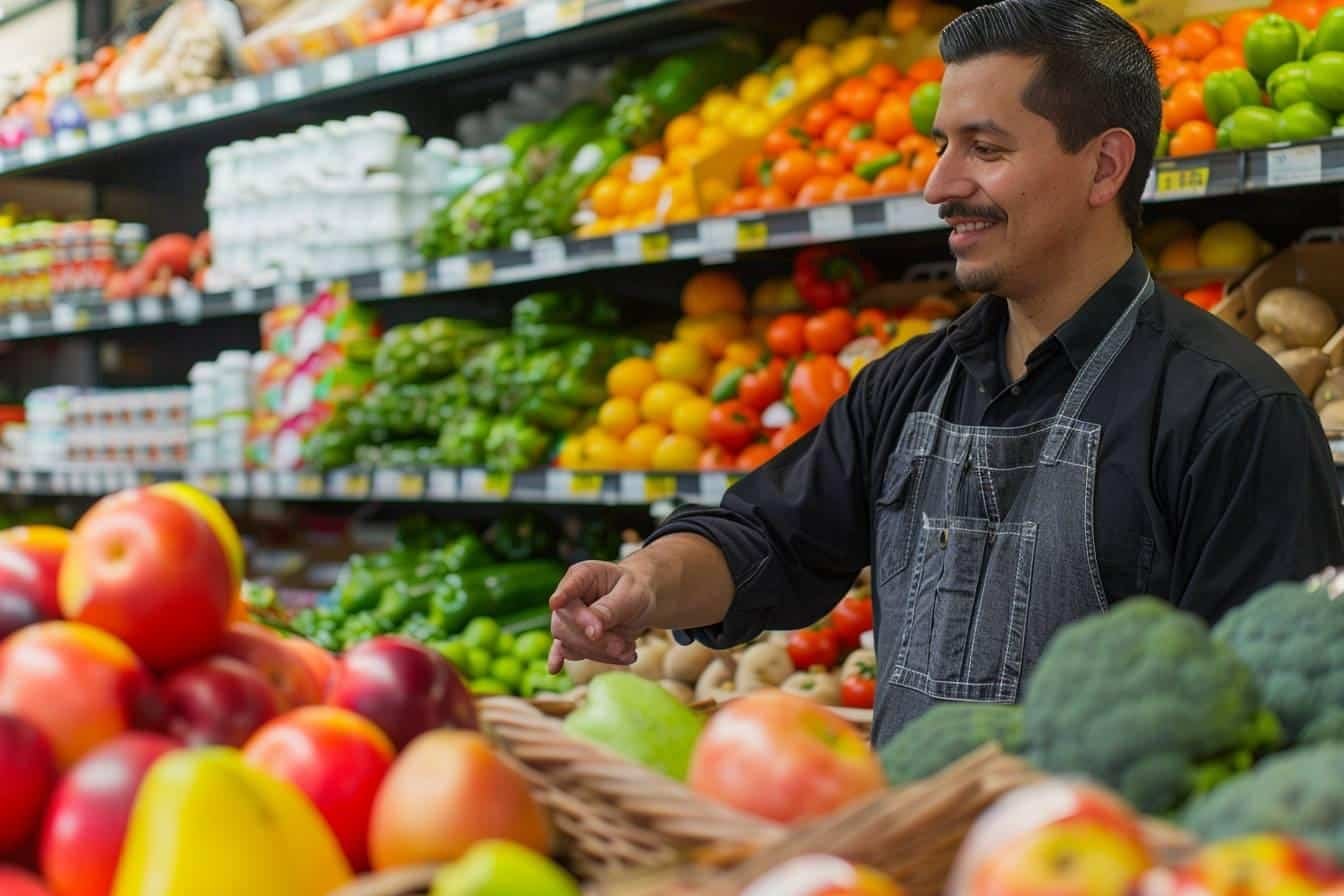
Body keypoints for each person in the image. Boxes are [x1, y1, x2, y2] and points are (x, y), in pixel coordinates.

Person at [547, 0, 1344, 745]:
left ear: (1105, 168)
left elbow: (1273, 717)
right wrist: (646, 580)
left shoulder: (1233, 412)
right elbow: (767, 538)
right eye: (941, 146)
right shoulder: (907, 387)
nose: (937, 186)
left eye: (985, 149)